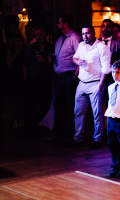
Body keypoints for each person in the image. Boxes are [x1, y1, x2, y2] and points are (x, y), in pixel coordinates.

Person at [72, 25, 111, 148]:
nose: (85, 36)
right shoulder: (81, 45)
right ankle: (78, 137)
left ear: (93, 33)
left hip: (95, 82)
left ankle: (97, 139)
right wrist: (78, 62)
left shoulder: (101, 47)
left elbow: (106, 67)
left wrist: (101, 84)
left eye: (88, 33)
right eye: (83, 33)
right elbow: (74, 57)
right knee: (78, 112)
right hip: (82, 83)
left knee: (97, 113)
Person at [53, 15, 82, 144]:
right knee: (58, 105)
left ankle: (70, 135)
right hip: (59, 77)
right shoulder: (59, 39)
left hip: (69, 76)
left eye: (59, 22)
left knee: (70, 106)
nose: (57, 24)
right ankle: (58, 134)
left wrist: (75, 75)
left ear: (65, 23)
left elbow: (80, 57)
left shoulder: (74, 37)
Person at [23, 26, 54, 136]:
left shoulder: (50, 47)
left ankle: (43, 128)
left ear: (45, 35)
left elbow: (53, 63)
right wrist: (26, 80)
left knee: (45, 104)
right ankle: (32, 129)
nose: (39, 37)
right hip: (33, 81)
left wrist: (44, 60)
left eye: (40, 35)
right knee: (32, 105)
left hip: (45, 81)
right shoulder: (31, 48)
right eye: (36, 35)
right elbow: (25, 65)